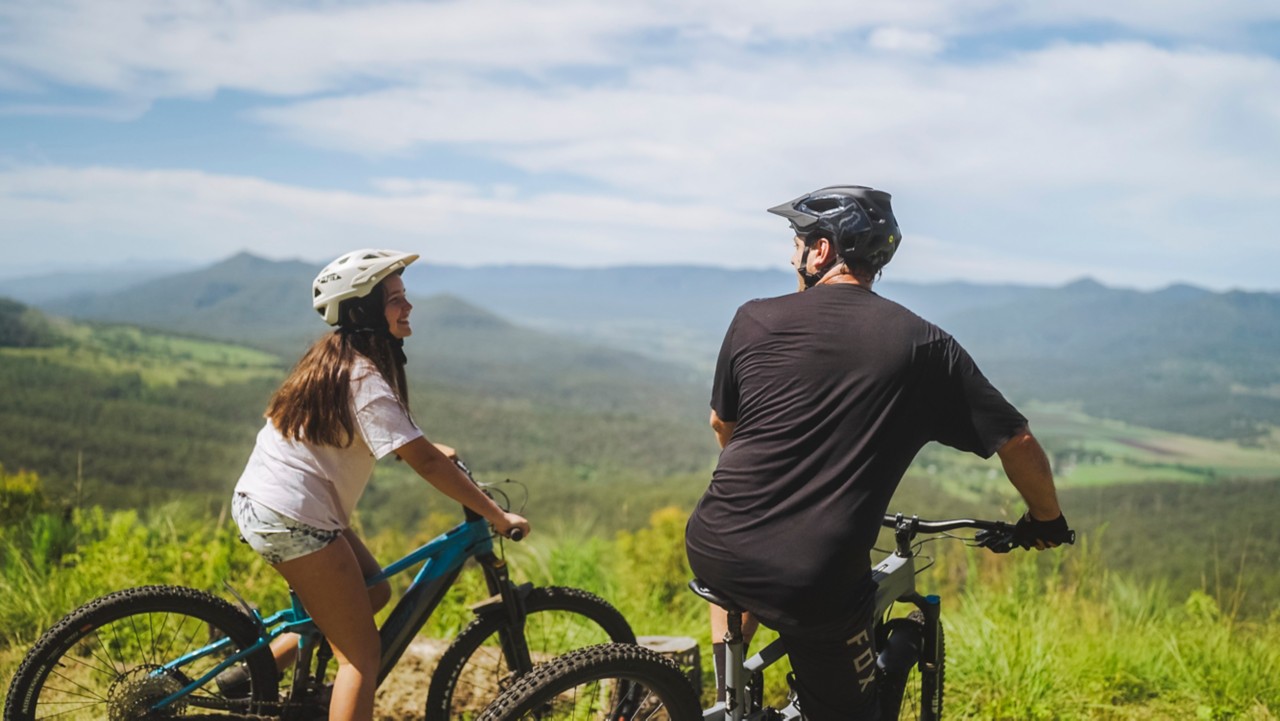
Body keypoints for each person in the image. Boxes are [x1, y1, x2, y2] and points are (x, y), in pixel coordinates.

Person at [684, 187, 1072, 720]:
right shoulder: (925, 346)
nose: (790, 255)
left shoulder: (752, 317)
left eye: (796, 242)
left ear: (820, 251)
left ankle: (727, 697)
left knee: (743, 577)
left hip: (712, 539)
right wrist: (1047, 519)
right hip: (812, 578)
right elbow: (1017, 442)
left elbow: (722, 425)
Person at [226, 249, 530, 721]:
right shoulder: (363, 377)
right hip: (294, 518)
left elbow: (389, 438)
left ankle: (246, 675)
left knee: (373, 592)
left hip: (267, 501)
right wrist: (495, 513)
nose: (407, 307)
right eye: (394, 300)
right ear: (364, 309)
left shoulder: (333, 358)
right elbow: (425, 463)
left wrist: (426, 445)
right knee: (360, 659)